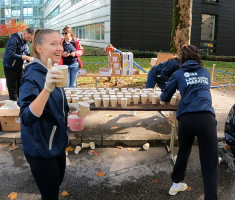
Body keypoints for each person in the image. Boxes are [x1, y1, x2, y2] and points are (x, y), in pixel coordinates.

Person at [160, 45, 218, 200]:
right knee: (210, 162)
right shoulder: (205, 72)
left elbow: (164, 97)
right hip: (206, 119)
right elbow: (202, 90)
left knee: (183, 153)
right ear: (197, 57)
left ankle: (176, 185)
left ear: (182, 59)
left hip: (186, 119)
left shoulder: (178, 73)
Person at [18, 28, 69, 199]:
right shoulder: (32, 76)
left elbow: (54, 103)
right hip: (41, 148)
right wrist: (47, 88)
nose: (60, 48)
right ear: (39, 48)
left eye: (60, 43)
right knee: (50, 194)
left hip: (55, 142)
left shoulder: (51, 70)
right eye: (53, 44)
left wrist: (70, 109)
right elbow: (27, 117)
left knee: (56, 184)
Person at [3, 28, 34, 101]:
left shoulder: (27, 41)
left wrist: (30, 60)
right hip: (10, 67)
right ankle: (13, 107)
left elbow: (27, 52)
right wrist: (25, 57)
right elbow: (11, 54)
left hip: (19, 67)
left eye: (30, 38)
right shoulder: (13, 39)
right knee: (13, 89)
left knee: (21, 87)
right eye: (28, 37)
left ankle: (21, 105)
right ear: (24, 34)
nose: (29, 40)